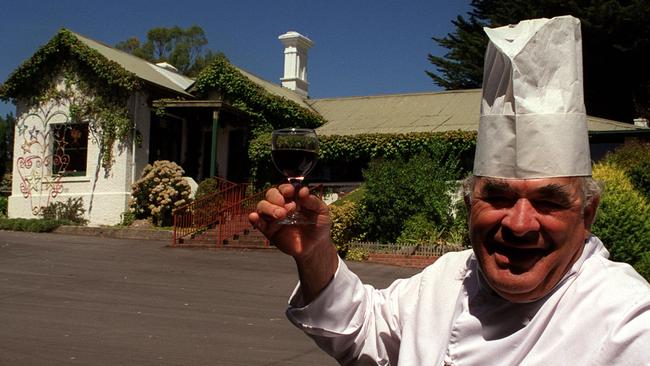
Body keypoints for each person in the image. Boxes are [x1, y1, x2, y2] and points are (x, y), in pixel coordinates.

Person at [249, 16, 650, 365]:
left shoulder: (628, 324)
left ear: (588, 213)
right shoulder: (447, 278)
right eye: (498, 196)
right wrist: (318, 252)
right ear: (468, 201)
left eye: (548, 201)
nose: (520, 224)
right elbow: (365, 330)